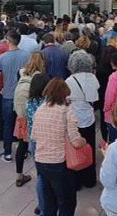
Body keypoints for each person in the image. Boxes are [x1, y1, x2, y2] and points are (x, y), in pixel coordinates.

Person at [31, 78, 87, 216]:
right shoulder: (65, 112)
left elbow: (34, 136)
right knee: (67, 202)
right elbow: (75, 141)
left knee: (49, 200)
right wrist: (84, 141)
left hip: (41, 162)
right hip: (59, 164)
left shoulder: (40, 110)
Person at [65, 50, 99, 190]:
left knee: (75, 150)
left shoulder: (69, 80)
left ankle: (76, 181)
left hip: (75, 118)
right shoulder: (93, 78)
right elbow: (94, 98)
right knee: (89, 148)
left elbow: (67, 98)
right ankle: (90, 179)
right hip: (89, 117)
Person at [0, 32, 30, 162]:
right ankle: (24, 151)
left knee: (8, 125)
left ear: (8, 41)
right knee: (23, 124)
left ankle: (7, 153)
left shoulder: (2, 58)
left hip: (8, 96)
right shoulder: (27, 55)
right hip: (23, 95)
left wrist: (0, 89)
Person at [13, 51, 45, 187]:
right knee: (37, 146)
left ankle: (19, 175)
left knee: (22, 145)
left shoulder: (20, 72)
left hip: (20, 113)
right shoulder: (40, 77)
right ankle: (41, 175)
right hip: (33, 114)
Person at [25, 73, 51, 215]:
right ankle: (47, 206)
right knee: (48, 176)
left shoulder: (28, 103)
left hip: (33, 141)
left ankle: (41, 205)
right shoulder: (47, 103)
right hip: (47, 142)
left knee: (40, 175)